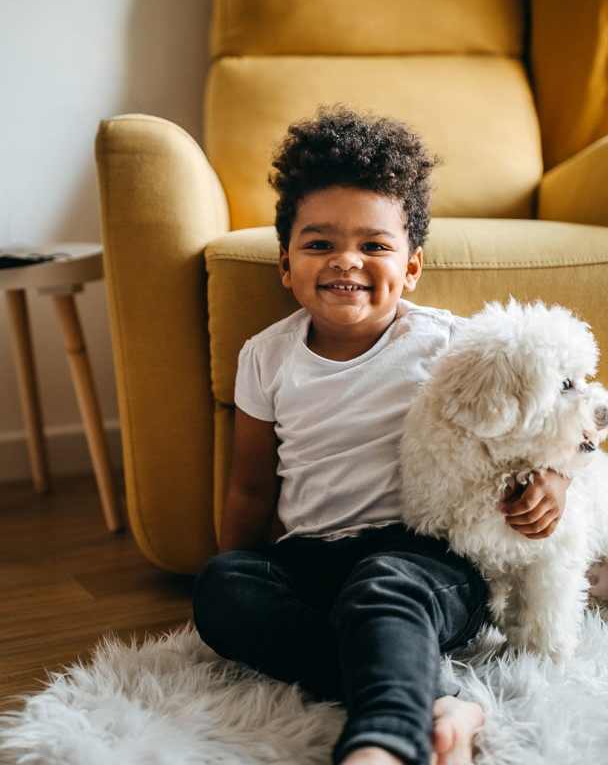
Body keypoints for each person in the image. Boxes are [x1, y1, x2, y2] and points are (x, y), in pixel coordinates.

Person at [192, 105, 572, 765]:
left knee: (383, 588)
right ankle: (442, 697)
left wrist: (554, 480)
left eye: (373, 245)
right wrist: (246, 572)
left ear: (412, 267)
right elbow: (252, 486)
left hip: (427, 561)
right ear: (286, 264)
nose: (347, 261)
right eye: (319, 244)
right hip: (313, 558)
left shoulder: (452, 346)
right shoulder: (265, 357)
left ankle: (385, 742)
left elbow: (553, 426)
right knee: (222, 590)